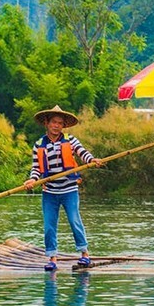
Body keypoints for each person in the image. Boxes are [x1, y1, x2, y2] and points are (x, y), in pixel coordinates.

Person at [24, 106, 97, 272]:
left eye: (60, 123)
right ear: (46, 123)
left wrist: (92, 160)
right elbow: (36, 168)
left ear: (63, 126)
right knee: (49, 225)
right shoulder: (38, 145)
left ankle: (84, 254)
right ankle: (52, 258)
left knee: (74, 220)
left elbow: (82, 153)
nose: (56, 126)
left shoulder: (70, 140)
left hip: (69, 190)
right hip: (49, 192)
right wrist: (31, 180)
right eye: (53, 122)